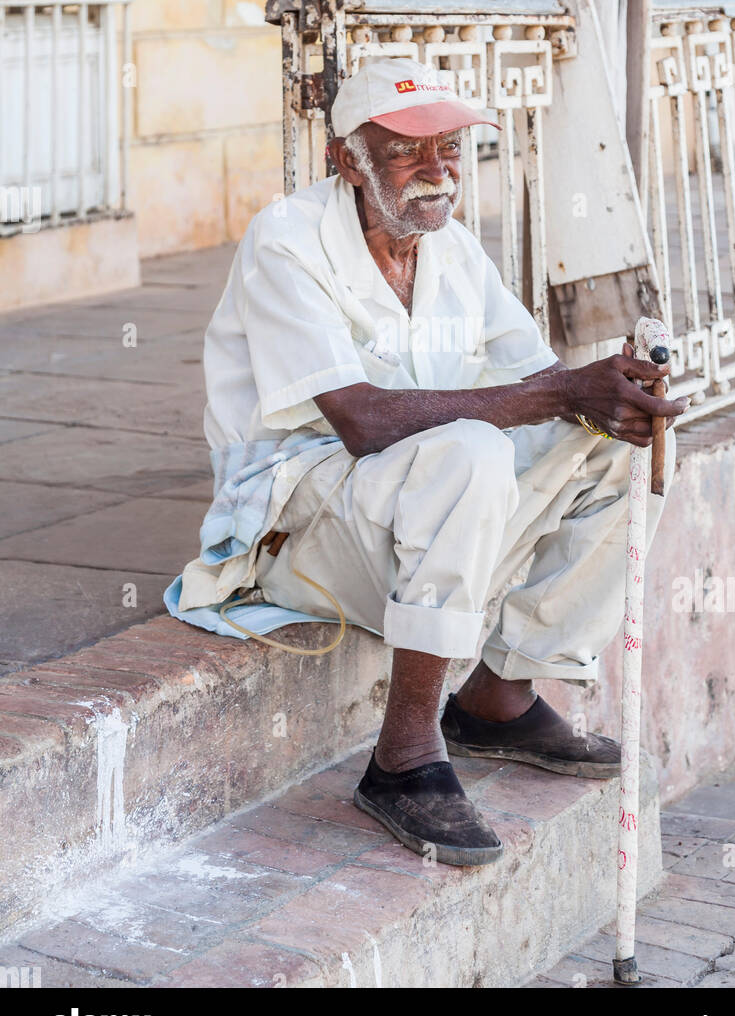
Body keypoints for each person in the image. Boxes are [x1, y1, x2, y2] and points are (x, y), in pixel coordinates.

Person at [167, 57, 686, 867]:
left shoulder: (450, 251)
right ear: (348, 160)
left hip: (411, 512)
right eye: (408, 152)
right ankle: (402, 755)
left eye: (446, 148)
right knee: (474, 448)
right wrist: (548, 398)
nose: (437, 170)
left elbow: (538, 380)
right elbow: (363, 420)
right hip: (296, 529)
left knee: (611, 441)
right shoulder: (288, 241)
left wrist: (608, 390)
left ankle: (499, 696)